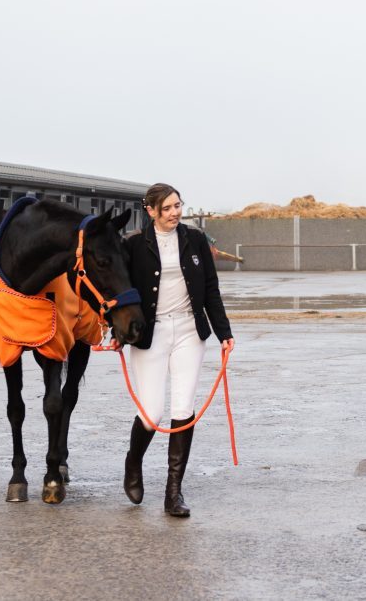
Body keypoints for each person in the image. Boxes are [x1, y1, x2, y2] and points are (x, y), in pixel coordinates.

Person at [120, 183, 234, 517]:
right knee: (152, 414)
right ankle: (133, 463)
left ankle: (173, 493)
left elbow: (211, 288)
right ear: (151, 210)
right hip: (150, 334)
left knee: (183, 408)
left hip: (188, 331)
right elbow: (121, 293)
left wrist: (223, 332)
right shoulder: (133, 246)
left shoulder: (195, 239)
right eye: (167, 208)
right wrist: (118, 331)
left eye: (178, 206)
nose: (175, 213)